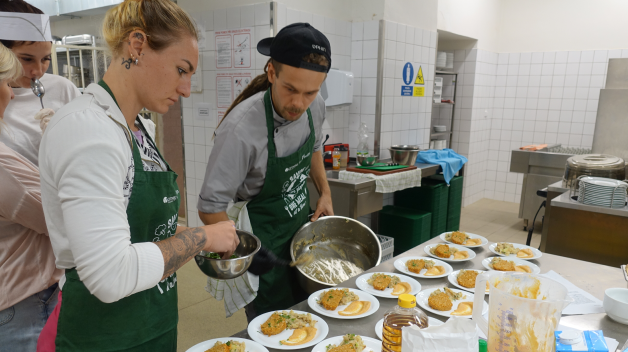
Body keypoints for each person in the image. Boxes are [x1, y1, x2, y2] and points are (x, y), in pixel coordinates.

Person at [36, 0, 239, 350]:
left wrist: (187, 232)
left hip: (153, 323)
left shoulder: (136, 128)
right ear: (137, 46)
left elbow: (135, 227)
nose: (187, 89)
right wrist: (201, 238)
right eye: (181, 70)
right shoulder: (88, 131)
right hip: (105, 336)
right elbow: (110, 276)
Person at [197, 23, 334, 319]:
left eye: (310, 92)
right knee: (275, 330)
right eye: (290, 89)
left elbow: (313, 148)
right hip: (264, 244)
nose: (299, 104)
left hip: (300, 234)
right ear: (271, 72)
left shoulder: (316, 106)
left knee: (312, 319)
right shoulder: (240, 130)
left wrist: (324, 192)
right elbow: (209, 207)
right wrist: (242, 250)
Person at [0, 42, 63, 351]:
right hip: (20, 302)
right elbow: (60, 218)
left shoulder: (61, 89)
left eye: (45, 60)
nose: (12, 93)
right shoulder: (3, 166)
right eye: (5, 83)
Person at [0, 0, 81, 166]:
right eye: (27, 59)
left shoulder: (62, 88)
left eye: (46, 59)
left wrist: (68, 139)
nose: (38, 71)